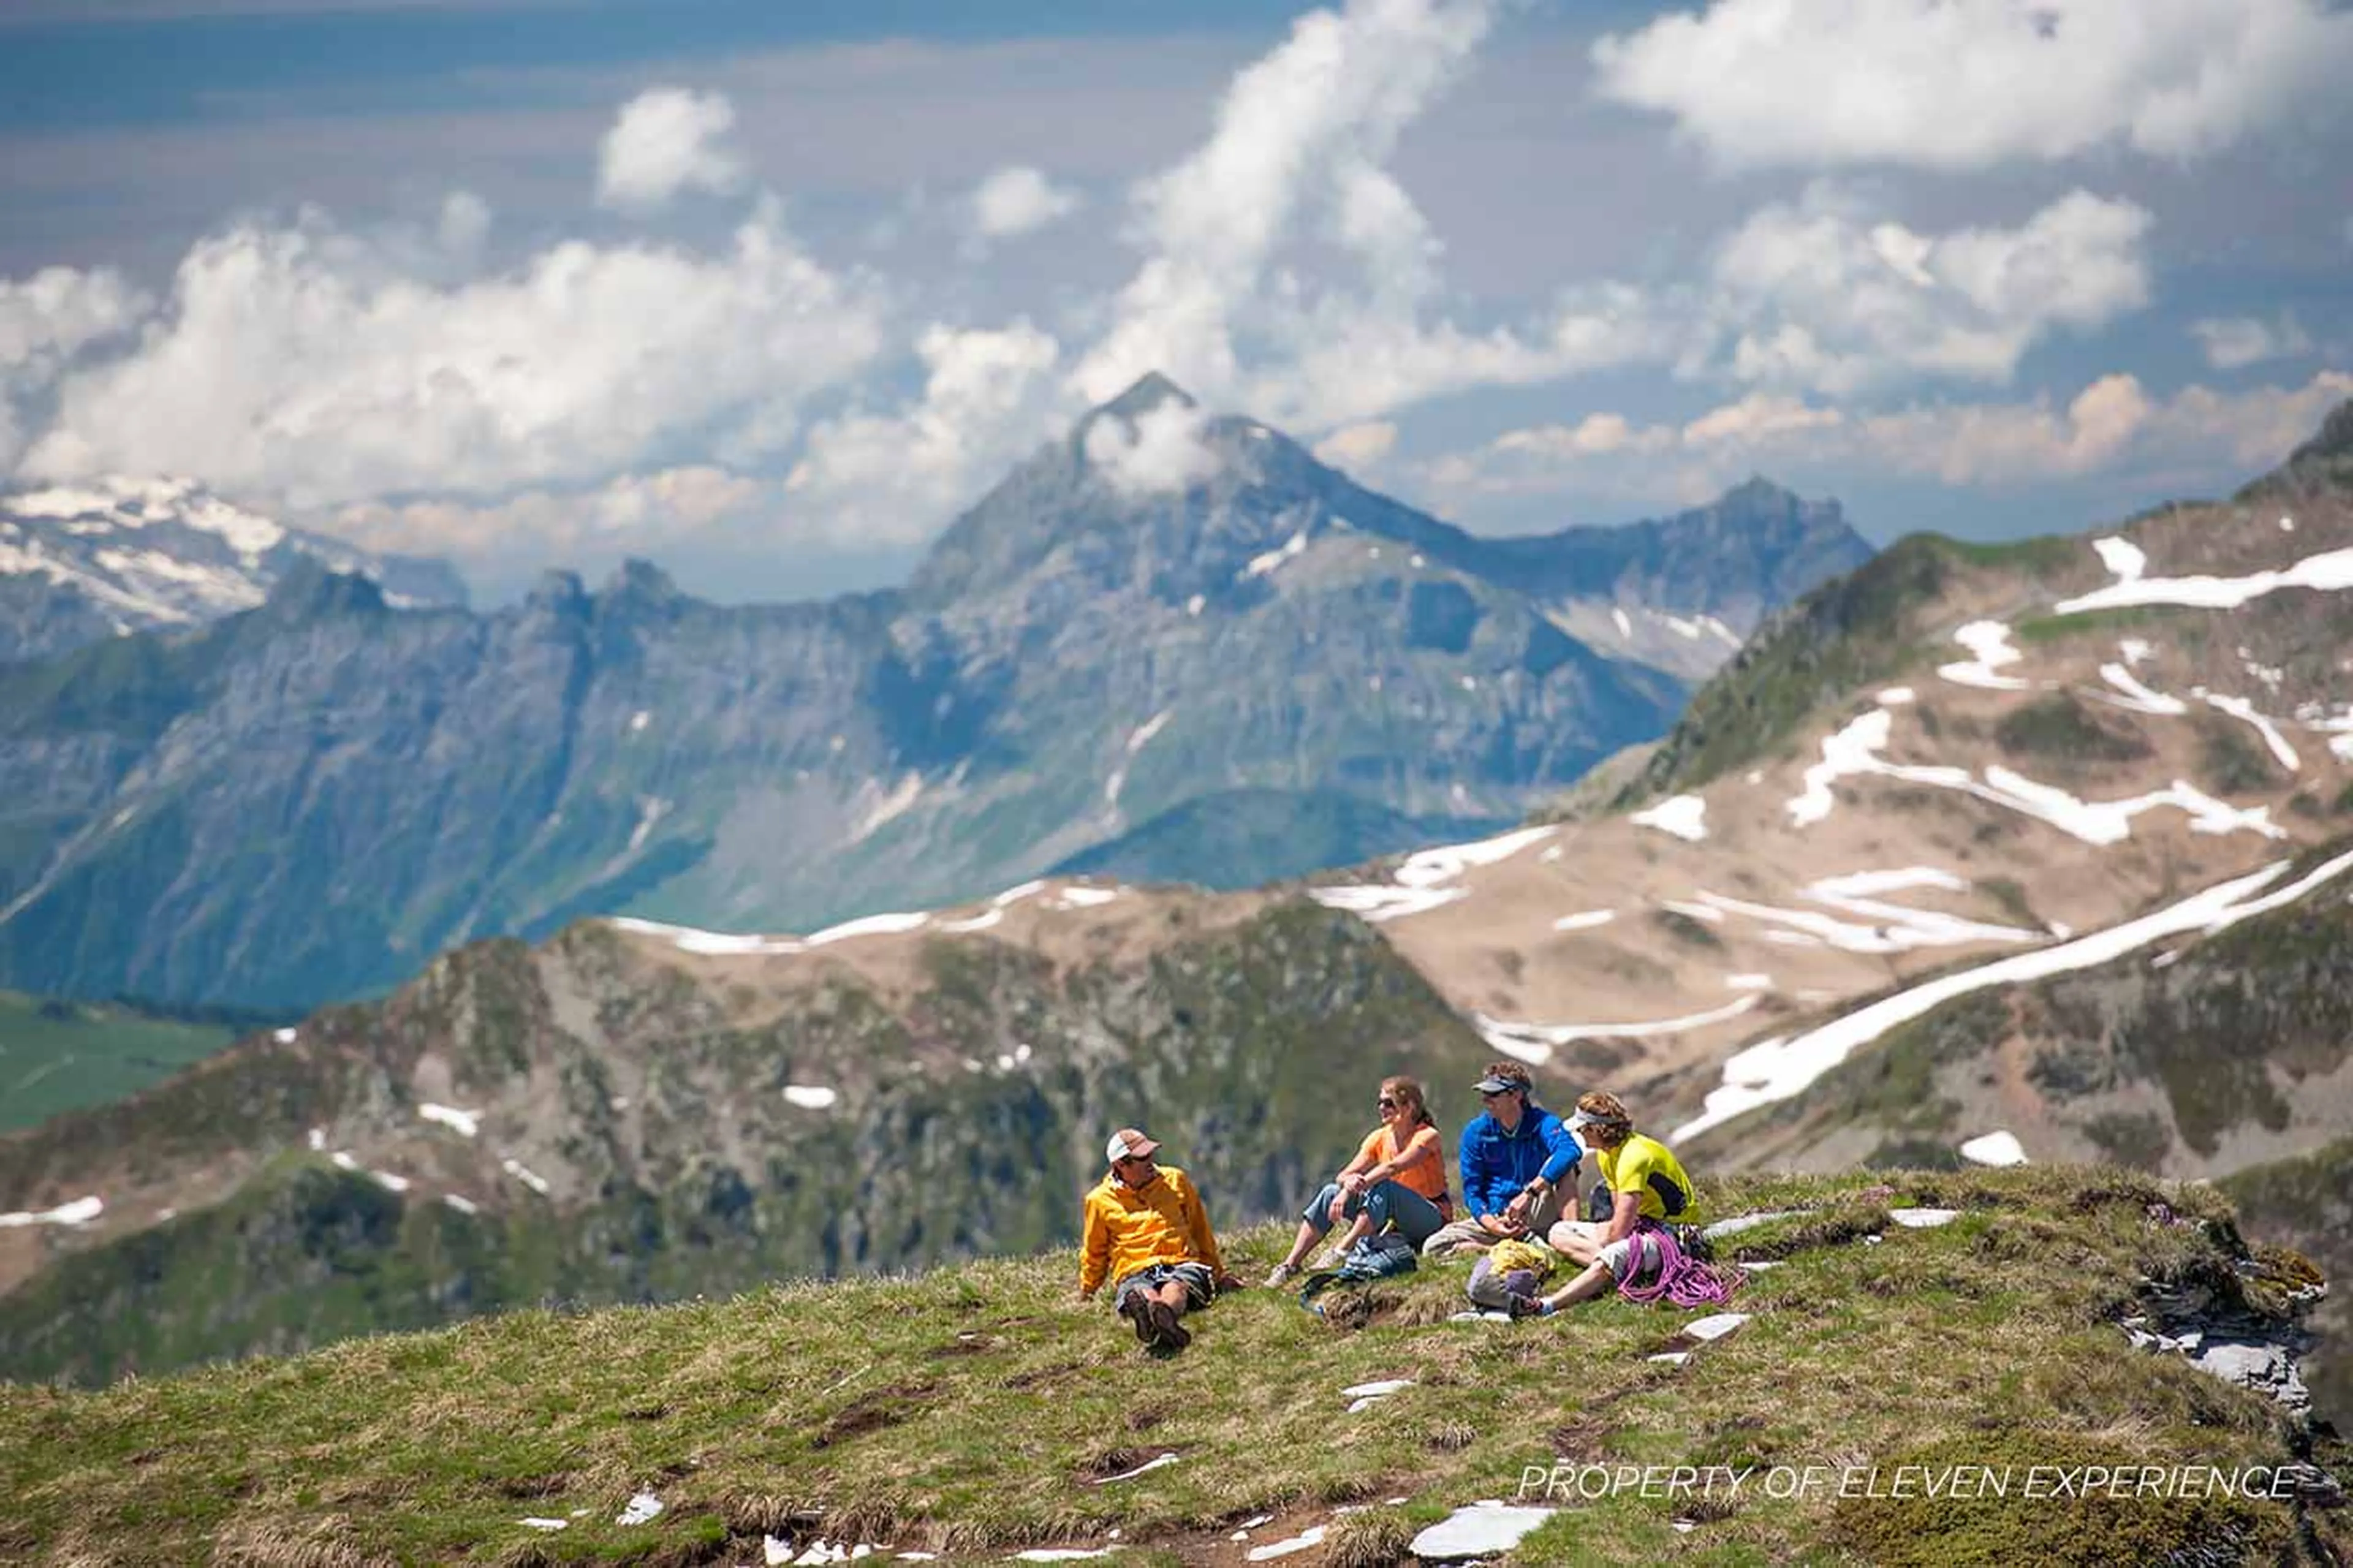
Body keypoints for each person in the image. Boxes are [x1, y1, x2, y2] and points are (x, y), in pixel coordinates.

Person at [1520, 1091, 1733, 1315]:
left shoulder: (1634, 1157)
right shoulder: (1607, 1153)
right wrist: (1609, 1234)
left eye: (1583, 1129)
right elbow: (1619, 1213)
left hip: (1675, 1233)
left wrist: (1610, 1238)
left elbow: (1619, 1233)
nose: (1581, 1135)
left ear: (1597, 1129)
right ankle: (1631, 1272)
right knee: (1558, 1231)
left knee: (1613, 1253)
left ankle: (1547, 1305)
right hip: (1643, 1224)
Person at [1264, 1075, 1453, 1287]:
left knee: (1384, 1185)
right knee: (1330, 1192)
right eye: (1380, 1102)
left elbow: (1394, 1167)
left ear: (1409, 1107)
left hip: (1431, 1218)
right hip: (1392, 1221)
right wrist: (1348, 1182)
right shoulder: (1379, 1137)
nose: (1382, 1108)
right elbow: (1344, 1174)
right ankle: (1290, 1265)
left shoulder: (1427, 1136)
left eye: (1389, 1104)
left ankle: (1342, 1250)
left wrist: (1351, 1190)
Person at [1078, 1127, 1245, 1351]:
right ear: (1121, 1165)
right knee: (1140, 1289)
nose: (1150, 1161)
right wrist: (1088, 1289)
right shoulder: (1099, 1200)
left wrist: (1216, 1273)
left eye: (1150, 1154)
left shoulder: (1175, 1180)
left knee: (1176, 1286)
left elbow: (1199, 1229)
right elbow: (1094, 1251)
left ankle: (1158, 1314)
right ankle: (1154, 1312)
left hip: (1181, 1261)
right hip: (1134, 1269)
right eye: (1142, 1158)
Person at [1419, 1062, 1582, 1258]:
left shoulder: (1543, 1122)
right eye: (1484, 1093)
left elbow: (1570, 1151)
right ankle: (1507, 1249)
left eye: (1494, 1094)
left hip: (1537, 1207)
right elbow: (1472, 1192)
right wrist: (1493, 1225)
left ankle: (1572, 1236)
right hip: (1498, 1216)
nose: (1486, 1100)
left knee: (1566, 1169)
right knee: (1433, 1247)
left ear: (1516, 1095)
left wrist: (1529, 1192)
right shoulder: (1476, 1132)